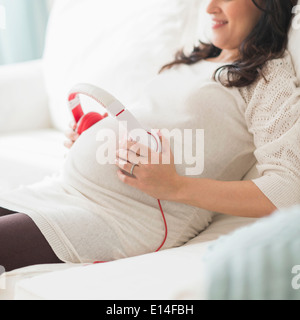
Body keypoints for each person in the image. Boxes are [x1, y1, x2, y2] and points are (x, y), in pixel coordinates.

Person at [0, 0, 299, 272]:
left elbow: (286, 189)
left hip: (117, 218)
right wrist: (99, 139)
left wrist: (176, 186)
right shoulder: (196, 59)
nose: (209, 7)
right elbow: (157, 127)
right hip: (63, 189)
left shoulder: (269, 76)